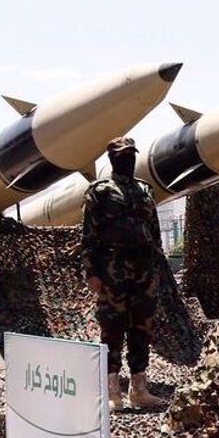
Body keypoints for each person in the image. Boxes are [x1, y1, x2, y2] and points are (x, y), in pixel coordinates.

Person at [81, 137, 168, 411]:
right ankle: (112, 391)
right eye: (122, 156)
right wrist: (92, 272)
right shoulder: (99, 191)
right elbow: (88, 235)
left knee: (142, 328)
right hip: (112, 272)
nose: (127, 160)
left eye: (131, 155)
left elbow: (154, 233)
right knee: (112, 328)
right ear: (112, 159)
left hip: (143, 272)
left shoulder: (145, 190)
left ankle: (139, 389)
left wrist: (155, 270)